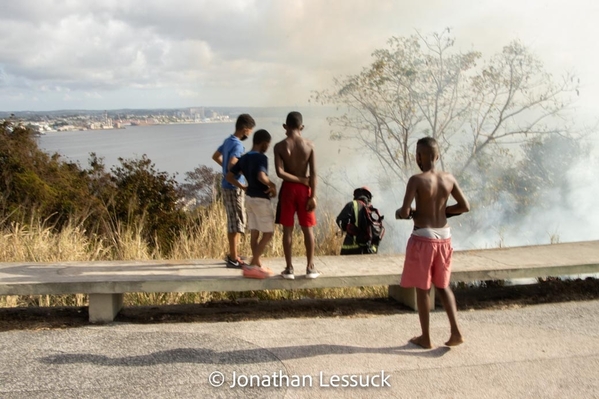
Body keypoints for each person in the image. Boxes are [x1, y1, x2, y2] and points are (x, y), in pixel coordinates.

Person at [396, 136, 470, 349]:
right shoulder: (449, 178)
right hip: (444, 236)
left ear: (419, 156)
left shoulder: (416, 180)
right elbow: (464, 206)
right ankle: (455, 332)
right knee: (443, 285)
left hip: (424, 236)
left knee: (422, 288)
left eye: (417, 155)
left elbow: (405, 211)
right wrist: (444, 210)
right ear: (437, 156)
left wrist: (403, 213)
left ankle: (426, 337)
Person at [273, 111, 319, 279]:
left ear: (285, 126)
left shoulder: (279, 146)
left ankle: (289, 268)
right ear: (302, 127)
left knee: (288, 230)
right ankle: (310, 267)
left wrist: (298, 180)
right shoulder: (310, 145)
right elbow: (313, 174)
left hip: (288, 190)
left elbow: (280, 173)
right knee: (308, 229)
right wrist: (313, 196)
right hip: (304, 191)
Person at [226, 129, 277, 279]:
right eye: (267, 145)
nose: (267, 147)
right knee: (268, 233)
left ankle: (257, 265)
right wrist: (272, 185)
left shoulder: (244, 158)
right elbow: (261, 176)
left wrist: (243, 187)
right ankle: (253, 264)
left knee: (254, 233)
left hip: (249, 198)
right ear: (263, 143)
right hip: (261, 199)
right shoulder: (261, 158)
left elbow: (229, 176)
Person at [212, 114, 255, 269]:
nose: (249, 134)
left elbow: (216, 156)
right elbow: (232, 165)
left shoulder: (227, 141)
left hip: (226, 185)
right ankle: (233, 258)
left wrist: (225, 171)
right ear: (244, 130)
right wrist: (243, 178)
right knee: (236, 223)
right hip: (234, 188)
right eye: (250, 131)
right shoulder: (237, 145)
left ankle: (234, 254)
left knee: (234, 221)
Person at [336, 187, 378, 255]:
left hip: (350, 248)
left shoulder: (352, 204)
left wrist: (346, 228)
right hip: (367, 249)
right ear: (368, 197)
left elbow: (340, 220)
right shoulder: (372, 210)